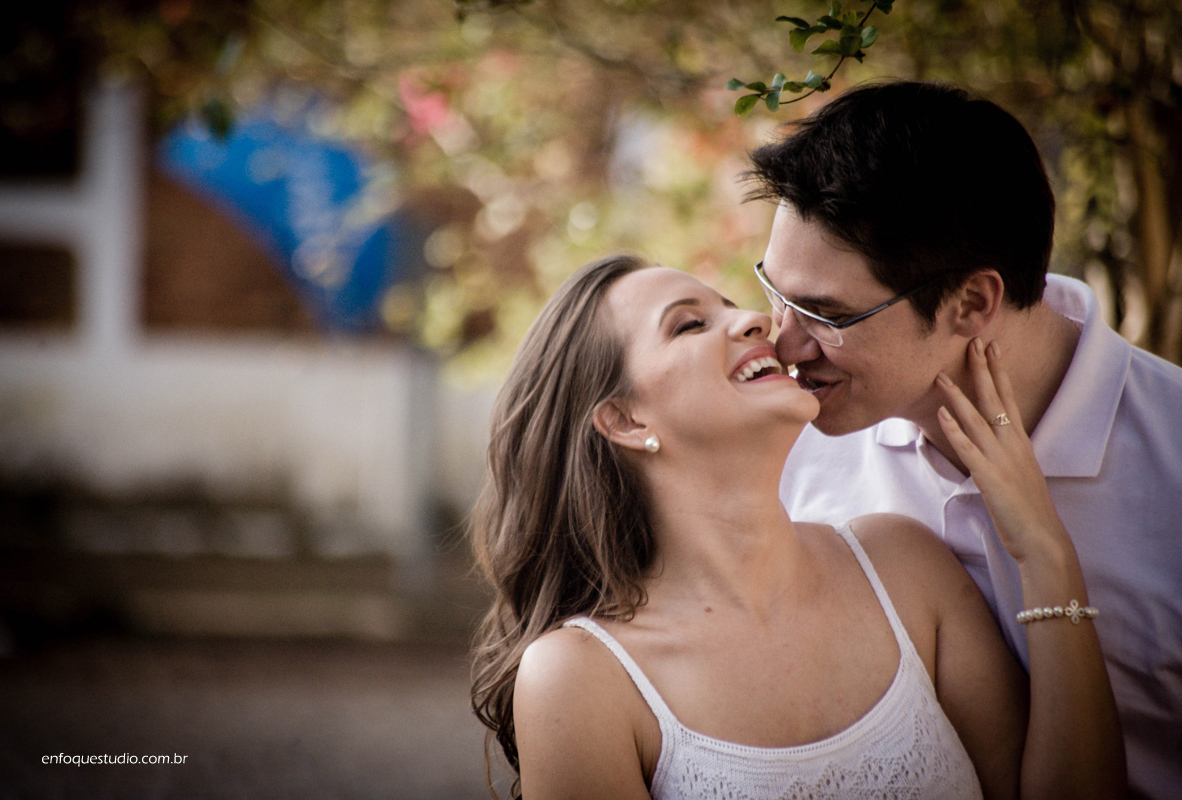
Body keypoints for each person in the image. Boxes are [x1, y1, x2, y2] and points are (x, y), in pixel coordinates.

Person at [470, 254, 1123, 799]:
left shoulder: (904, 565)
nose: (756, 319)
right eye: (691, 324)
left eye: (731, 304)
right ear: (626, 422)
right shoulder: (580, 679)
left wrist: (1044, 550)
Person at [747, 80, 1182, 799]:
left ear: (972, 303)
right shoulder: (784, 446)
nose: (783, 342)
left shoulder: (1171, 455)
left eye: (824, 313)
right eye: (776, 292)